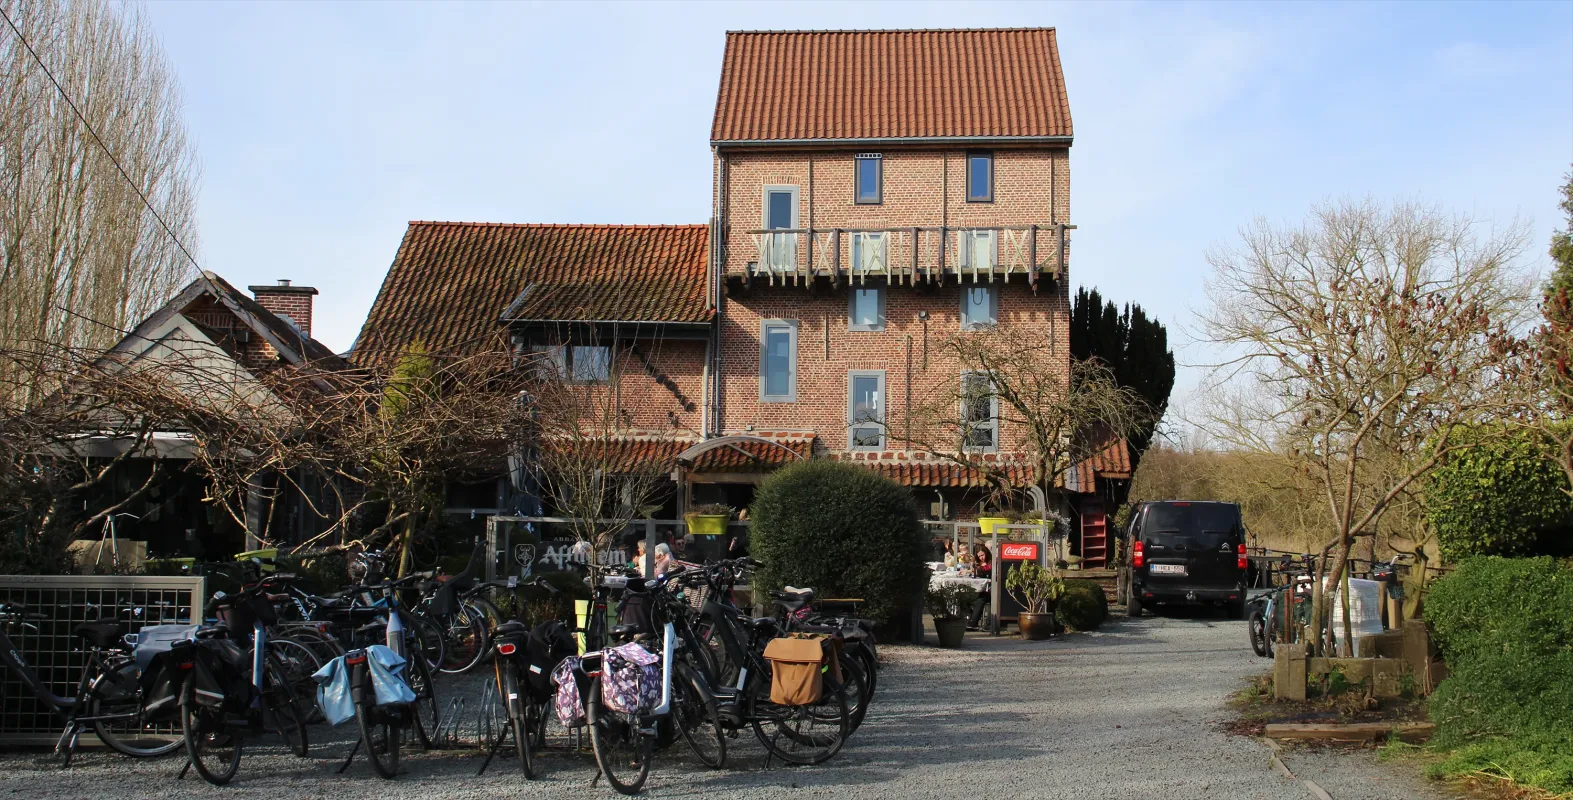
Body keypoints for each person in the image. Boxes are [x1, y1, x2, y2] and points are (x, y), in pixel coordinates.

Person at [968, 541, 993, 630]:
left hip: (991, 591)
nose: (982, 558)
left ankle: (973, 623)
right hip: (982, 589)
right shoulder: (979, 564)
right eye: (979, 556)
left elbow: (988, 569)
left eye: (983, 555)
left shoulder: (991, 562)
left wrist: (975, 569)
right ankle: (971, 621)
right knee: (971, 597)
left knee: (981, 599)